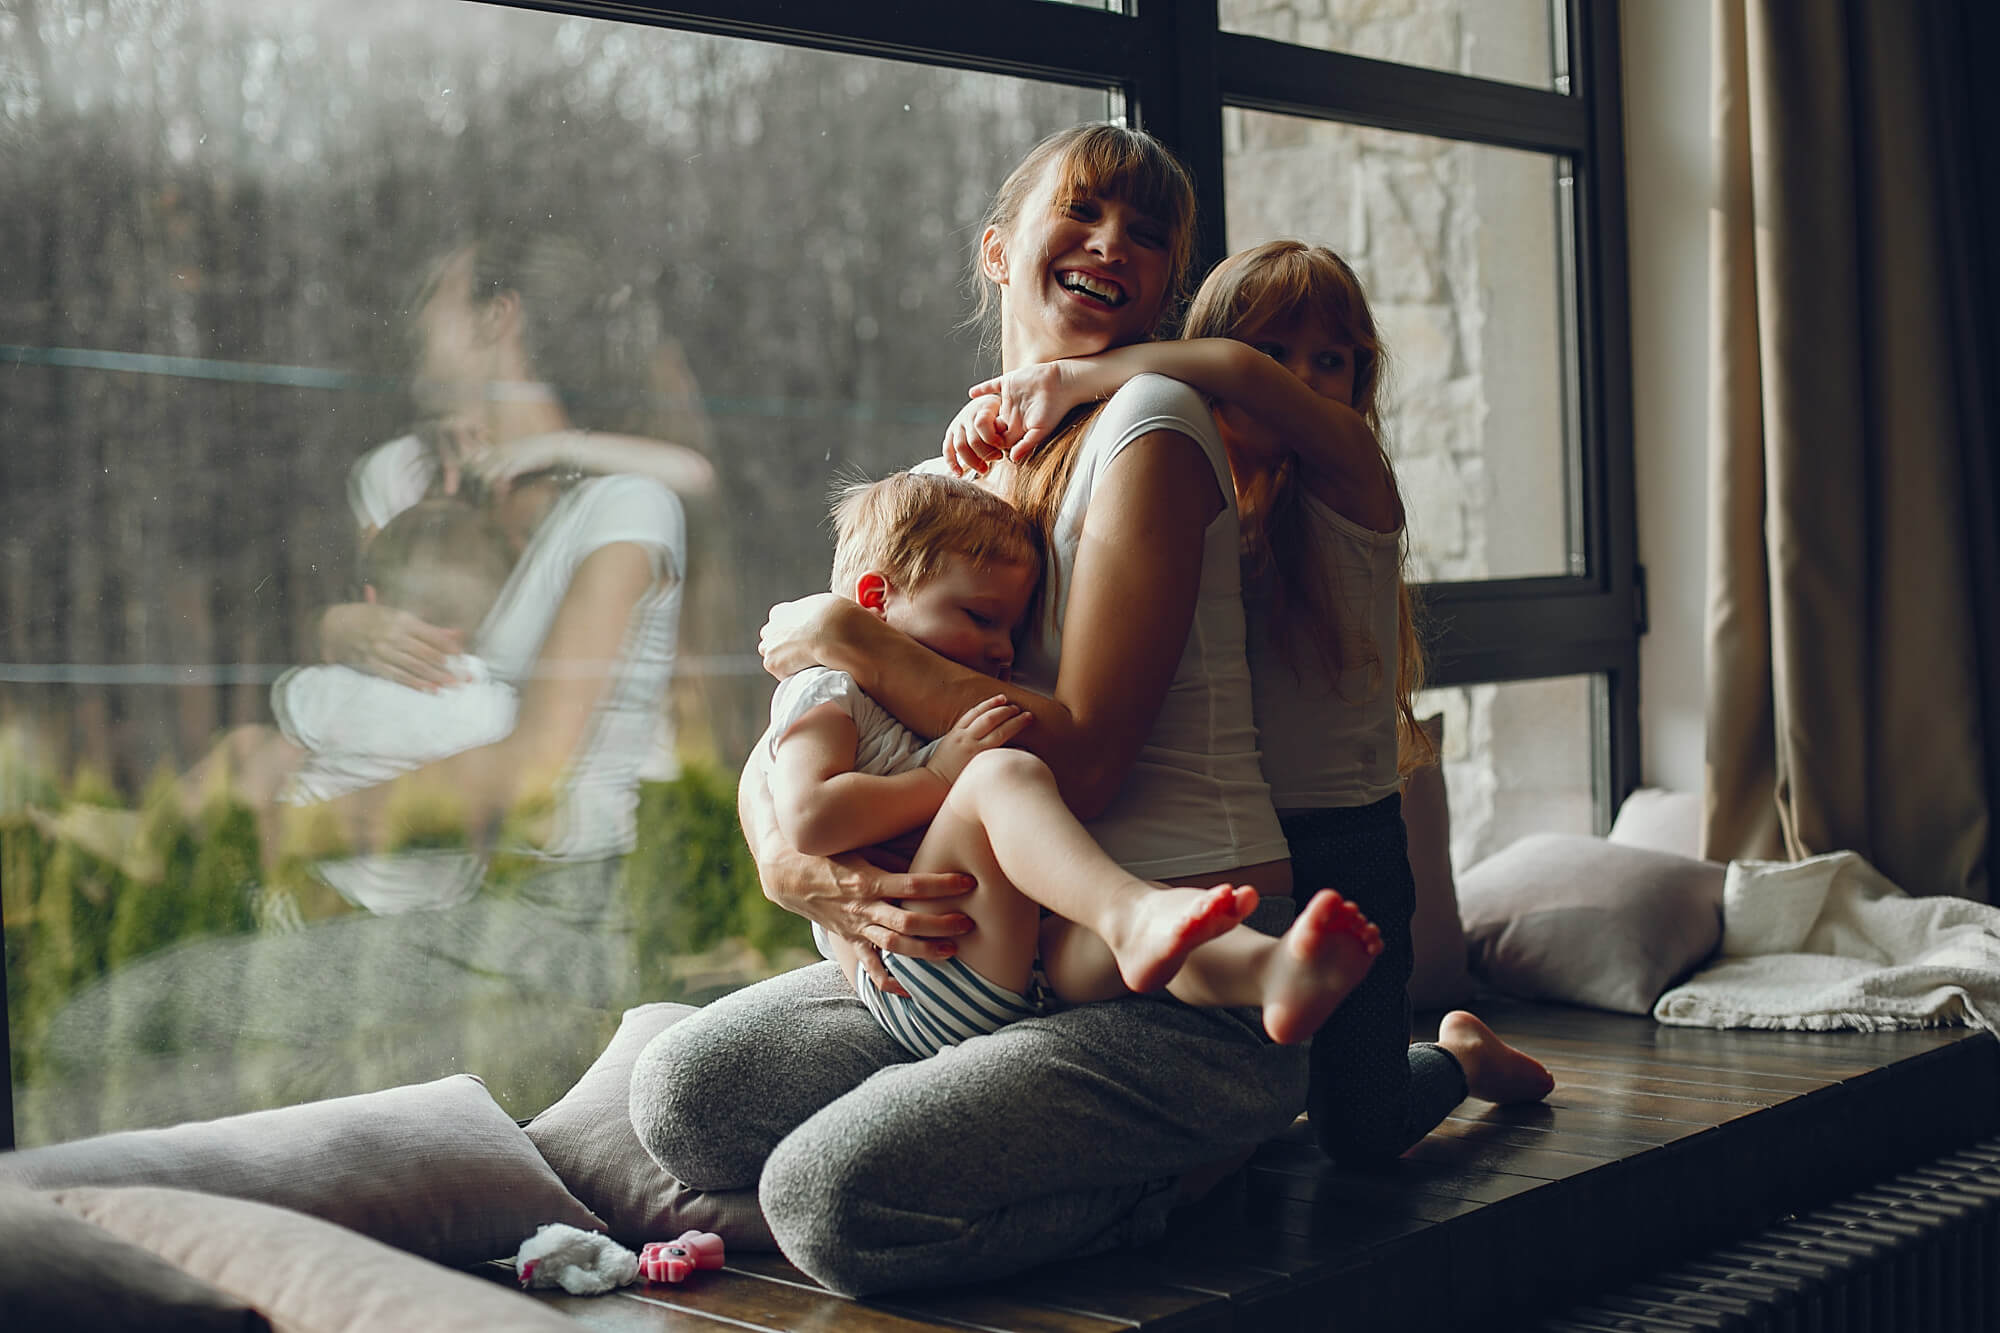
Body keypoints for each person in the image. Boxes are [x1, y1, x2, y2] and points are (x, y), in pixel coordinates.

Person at [629, 122, 1319, 1296]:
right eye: (1084, 213)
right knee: (683, 1098)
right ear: (998, 252)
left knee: (824, 1203)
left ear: (1164, 286)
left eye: (1147, 238)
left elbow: (1084, 761)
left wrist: (845, 628)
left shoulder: (1151, 426)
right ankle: (981, 1124)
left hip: (1161, 991)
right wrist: (786, 864)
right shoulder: (956, 488)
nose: (1111, 246)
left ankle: (1193, 1165)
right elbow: (814, 717)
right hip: (978, 974)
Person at [944, 237, 1556, 1160]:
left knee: (1364, 1129)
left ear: (1360, 380)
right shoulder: (1187, 488)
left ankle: (1461, 1057)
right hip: (1247, 839)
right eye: (1271, 352)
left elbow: (1236, 375)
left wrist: (1072, 374)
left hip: (1346, 835)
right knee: (1267, 1078)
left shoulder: (1354, 474)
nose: (1298, 380)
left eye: (1329, 360)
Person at [764, 469, 1383, 1057]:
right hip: (920, 969)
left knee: (1145, 941)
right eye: (980, 618)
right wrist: (942, 778)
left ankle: (1270, 973)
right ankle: (1132, 914)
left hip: (1012, 951)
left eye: (1013, 629)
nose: (1003, 650)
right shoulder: (824, 686)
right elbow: (809, 817)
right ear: (875, 598)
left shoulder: (917, 691)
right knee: (1001, 775)